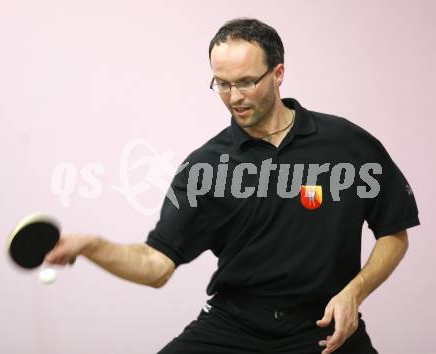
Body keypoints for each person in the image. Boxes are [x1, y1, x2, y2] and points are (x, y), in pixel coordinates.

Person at [45, 18, 420, 354]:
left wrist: (354, 293)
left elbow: (394, 233)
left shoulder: (346, 144)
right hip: (235, 325)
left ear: (278, 73)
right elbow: (155, 265)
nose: (234, 97)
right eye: (221, 84)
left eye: (245, 82)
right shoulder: (204, 167)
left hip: (323, 325)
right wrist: (91, 246)